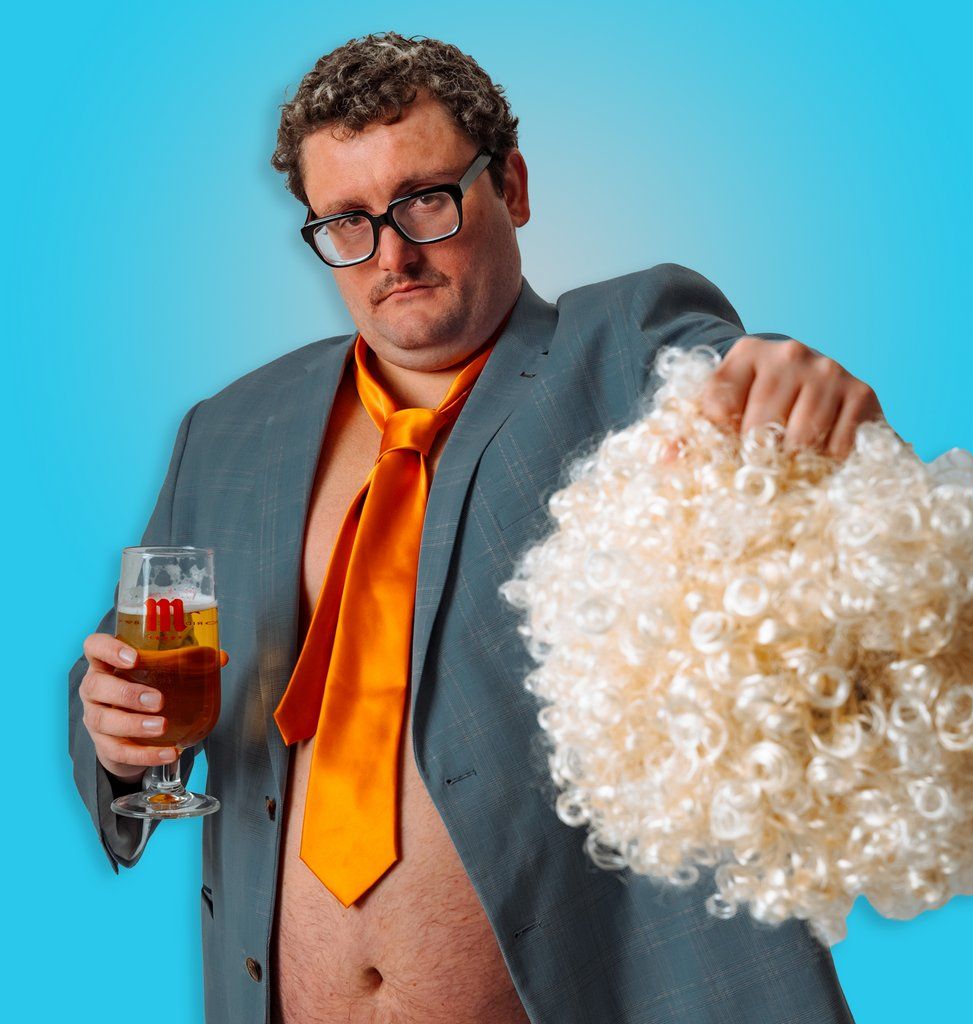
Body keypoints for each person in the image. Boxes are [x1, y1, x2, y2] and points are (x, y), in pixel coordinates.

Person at [68, 30, 882, 1024]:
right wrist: (118, 738)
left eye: (424, 199)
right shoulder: (230, 430)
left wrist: (796, 394)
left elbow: (734, 380)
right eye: (347, 222)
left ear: (513, 187)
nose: (392, 255)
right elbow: (129, 669)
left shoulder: (627, 352)